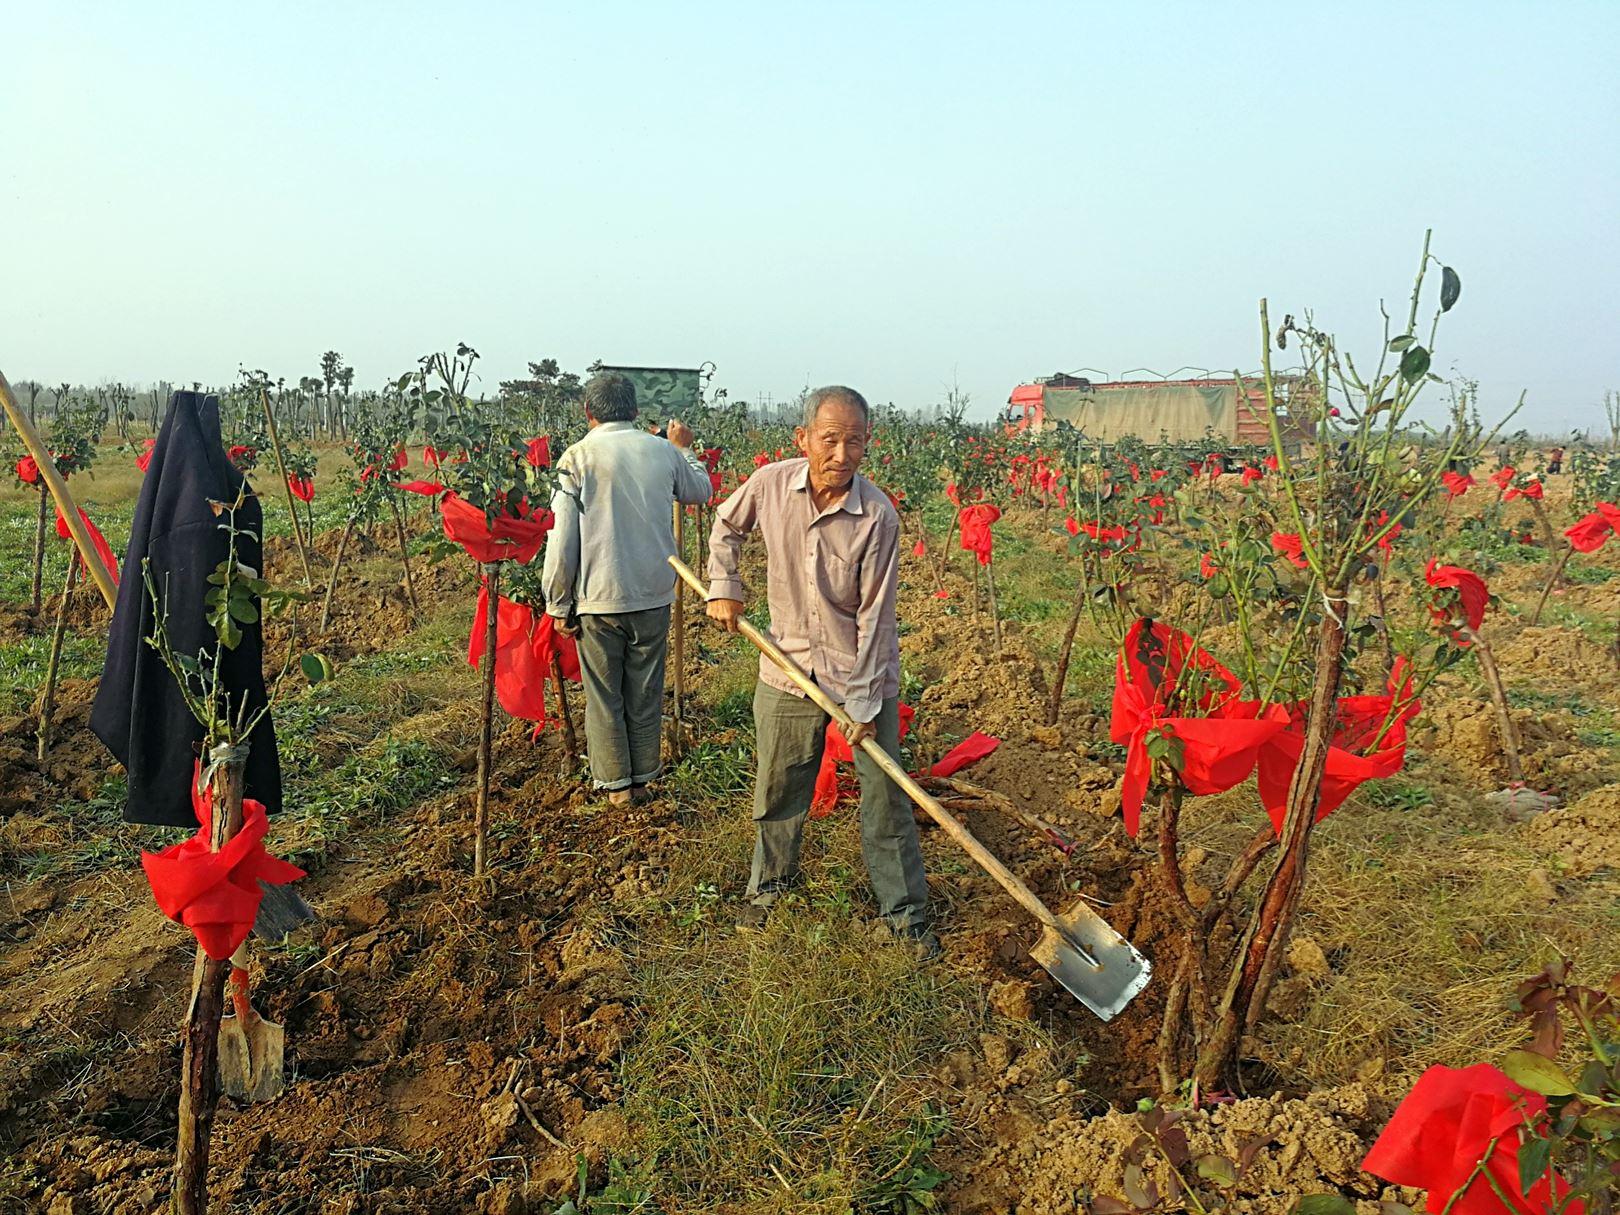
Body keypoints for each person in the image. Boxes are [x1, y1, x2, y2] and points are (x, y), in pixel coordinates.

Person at [705, 385, 936, 957]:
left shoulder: (877, 516)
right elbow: (726, 526)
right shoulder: (770, 485)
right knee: (779, 788)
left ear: (867, 444)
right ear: (803, 438)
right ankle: (769, 889)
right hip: (786, 667)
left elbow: (877, 619)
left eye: (854, 441)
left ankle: (905, 917)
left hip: (861, 671)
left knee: (885, 798)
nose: (841, 454)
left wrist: (863, 705)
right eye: (829, 439)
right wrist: (724, 586)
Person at [542, 373, 713, 807]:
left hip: (598, 598)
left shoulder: (576, 457)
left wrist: (558, 602)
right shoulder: (662, 450)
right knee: (645, 692)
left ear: (588, 412)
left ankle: (616, 788)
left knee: (605, 697)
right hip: (653, 594)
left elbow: (561, 537)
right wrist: (685, 448)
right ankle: (642, 780)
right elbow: (700, 490)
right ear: (635, 411)